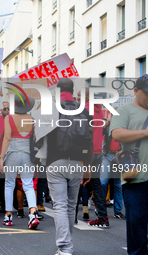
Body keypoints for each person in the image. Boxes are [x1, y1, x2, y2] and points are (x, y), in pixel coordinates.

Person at [45, 78, 92, 255]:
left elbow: (39, 137)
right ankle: (66, 246)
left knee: (60, 206)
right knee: (71, 206)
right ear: (73, 90)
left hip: (56, 162)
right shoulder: (84, 111)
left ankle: (64, 248)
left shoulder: (51, 108)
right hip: (78, 163)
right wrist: (88, 167)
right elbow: (91, 143)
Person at [110, 74, 148, 255]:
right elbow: (116, 134)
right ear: (136, 91)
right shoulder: (124, 111)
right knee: (137, 231)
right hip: (136, 181)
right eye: (147, 93)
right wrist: (145, 133)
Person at [0, 93, 40, 229]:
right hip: (27, 154)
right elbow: (33, 138)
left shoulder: (9, 118)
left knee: (9, 184)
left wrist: (1, 158)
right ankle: (33, 213)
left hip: (12, 154)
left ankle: (8, 215)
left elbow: (7, 139)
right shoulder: (31, 119)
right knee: (28, 184)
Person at [83, 88, 110, 228]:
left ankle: (72, 217)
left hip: (89, 151)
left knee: (78, 182)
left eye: (81, 95)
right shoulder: (99, 110)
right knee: (96, 184)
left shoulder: (87, 108)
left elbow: (88, 131)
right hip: (98, 151)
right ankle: (103, 217)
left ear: (87, 96)